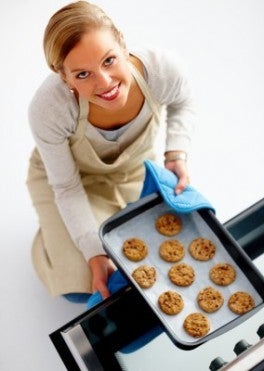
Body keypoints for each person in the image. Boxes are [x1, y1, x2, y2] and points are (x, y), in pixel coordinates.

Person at [26, 0, 195, 303]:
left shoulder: (162, 70)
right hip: (67, 182)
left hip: (132, 172)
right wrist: (92, 251)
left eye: (108, 61)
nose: (105, 84)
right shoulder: (49, 109)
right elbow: (66, 187)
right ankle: (50, 241)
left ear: (121, 41)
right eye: (82, 75)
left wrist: (176, 154)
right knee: (83, 288)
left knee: (159, 252)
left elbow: (183, 101)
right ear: (61, 75)